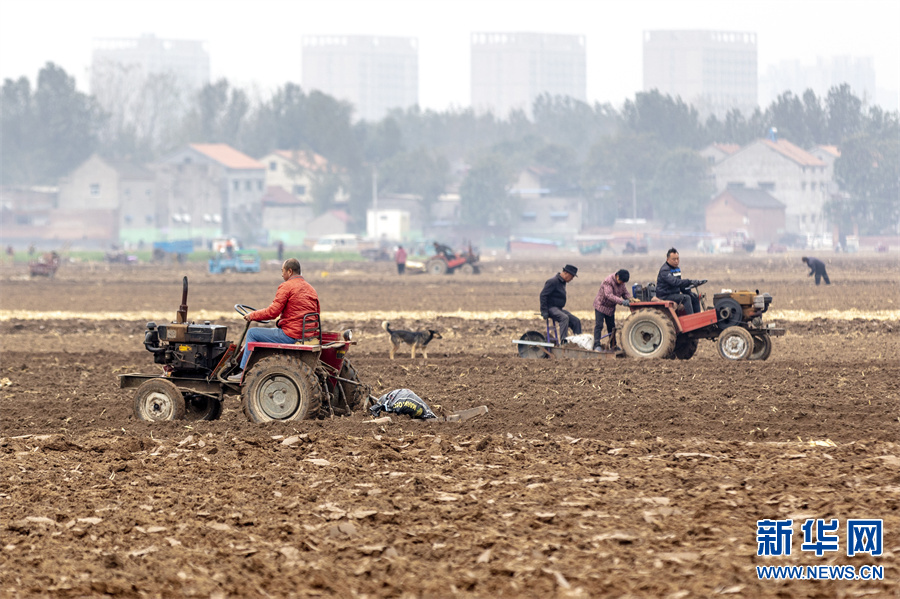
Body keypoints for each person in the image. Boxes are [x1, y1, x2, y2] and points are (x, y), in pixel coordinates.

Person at [228, 258, 320, 382]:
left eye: (282, 271)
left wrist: (252, 315)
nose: (282, 274)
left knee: (252, 333)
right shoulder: (310, 288)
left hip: (291, 335)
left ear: (290, 271)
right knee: (264, 331)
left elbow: (273, 312)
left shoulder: (287, 286)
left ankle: (242, 372)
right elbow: (317, 312)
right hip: (306, 334)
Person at [657, 248, 706, 315]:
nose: (676, 261)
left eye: (677, 259)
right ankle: (691, 320)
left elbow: (680, 285)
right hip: (665, 295)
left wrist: (689, 292)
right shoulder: (665, 270)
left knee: (694, 297)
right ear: (667, 259)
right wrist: (690, 281)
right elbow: (675, 282)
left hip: (674, 294)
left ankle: (697, 317)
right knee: (686, 298)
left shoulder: (677, 269)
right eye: (674, 259)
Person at [540, 264, 582, 340]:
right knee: (564, 318)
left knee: (576, 321)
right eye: (571, 276)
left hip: (559, 309)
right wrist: (544, 311)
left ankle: (580, 342)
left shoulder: (562, 282)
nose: (572, 279)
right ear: (566, 273)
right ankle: (563, 343)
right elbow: (543, 295)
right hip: (551, 308)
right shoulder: (552, 281)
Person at [593, 269, 631, 351]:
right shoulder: (608, 281)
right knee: (599, 325)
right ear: (617, 276)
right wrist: (622, 302)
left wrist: (631, 299)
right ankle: (596, 345)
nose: (622, 283)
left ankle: (613, 346)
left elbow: (625, 293)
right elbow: (609, 295)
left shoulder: (622, 283)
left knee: (612, 327)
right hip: (601, 306)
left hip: (610, 308)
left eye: (623, 282)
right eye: (621, 281)